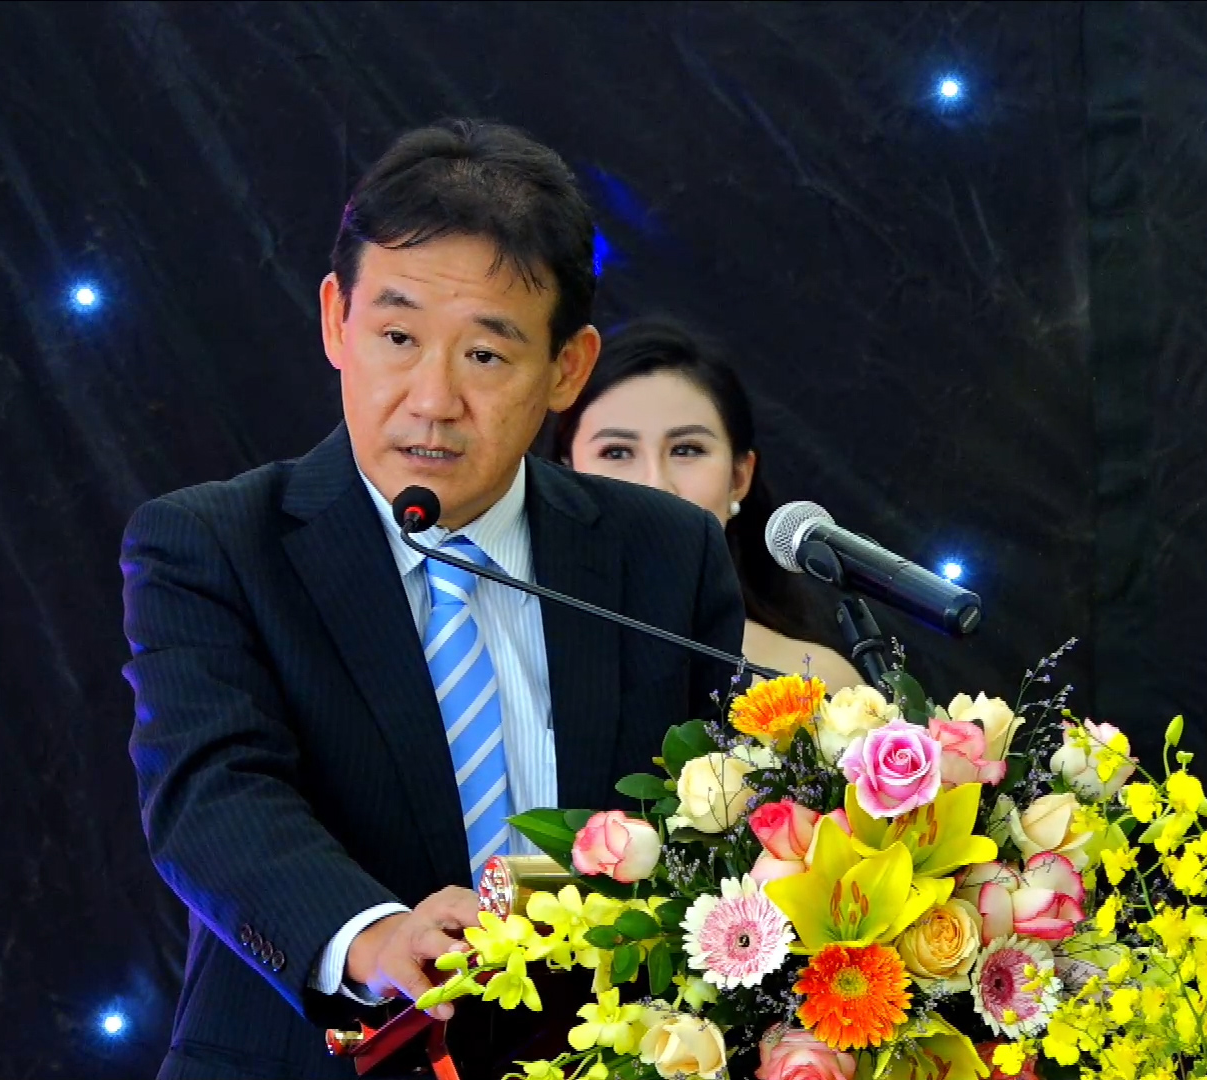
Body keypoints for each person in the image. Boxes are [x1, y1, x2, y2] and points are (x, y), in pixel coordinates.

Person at [120, 120, 744, 1080]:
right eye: (398, 337)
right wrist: (373, 936)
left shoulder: (665, 554)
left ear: (568, 369)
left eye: (486, 356)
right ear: (337, 321)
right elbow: (213, 795)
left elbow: (711, 827)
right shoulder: (213, 545)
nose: (432, 399)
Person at [551, 318, 862, 690]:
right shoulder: (509, 653)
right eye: (616, 452)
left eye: (687, 450)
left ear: (739, 478)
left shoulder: (819, 684)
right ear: (563, 475)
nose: (656, 485)